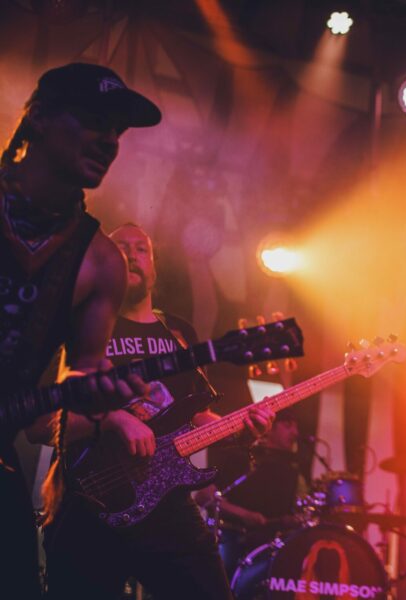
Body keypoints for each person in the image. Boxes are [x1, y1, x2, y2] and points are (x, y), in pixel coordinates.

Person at [28, 222, 275, 599]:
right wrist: (113, 421)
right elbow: (37, 425)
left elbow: (191, 421)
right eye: (118, 248)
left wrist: (241, 428)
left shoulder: (177, 333)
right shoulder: (74, 328)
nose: (129, 254)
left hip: (168, 511)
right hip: (87, 507)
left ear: (155, 267)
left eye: (140, 248)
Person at [0, 62, 153, 600]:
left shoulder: (100, 263)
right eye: (94, 120)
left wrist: (103, 400)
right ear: (38, 120)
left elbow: (79, 379)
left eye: (118, 129)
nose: (110, 140)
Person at [195, 411, 306, 576]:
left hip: (268, 552)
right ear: (270, 428)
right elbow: (203, 497)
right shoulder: (240, 456)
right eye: (288, 426)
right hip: (231, 541)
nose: (295, 433)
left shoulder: (292, 470)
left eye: (296, 427)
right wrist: (244, 514)